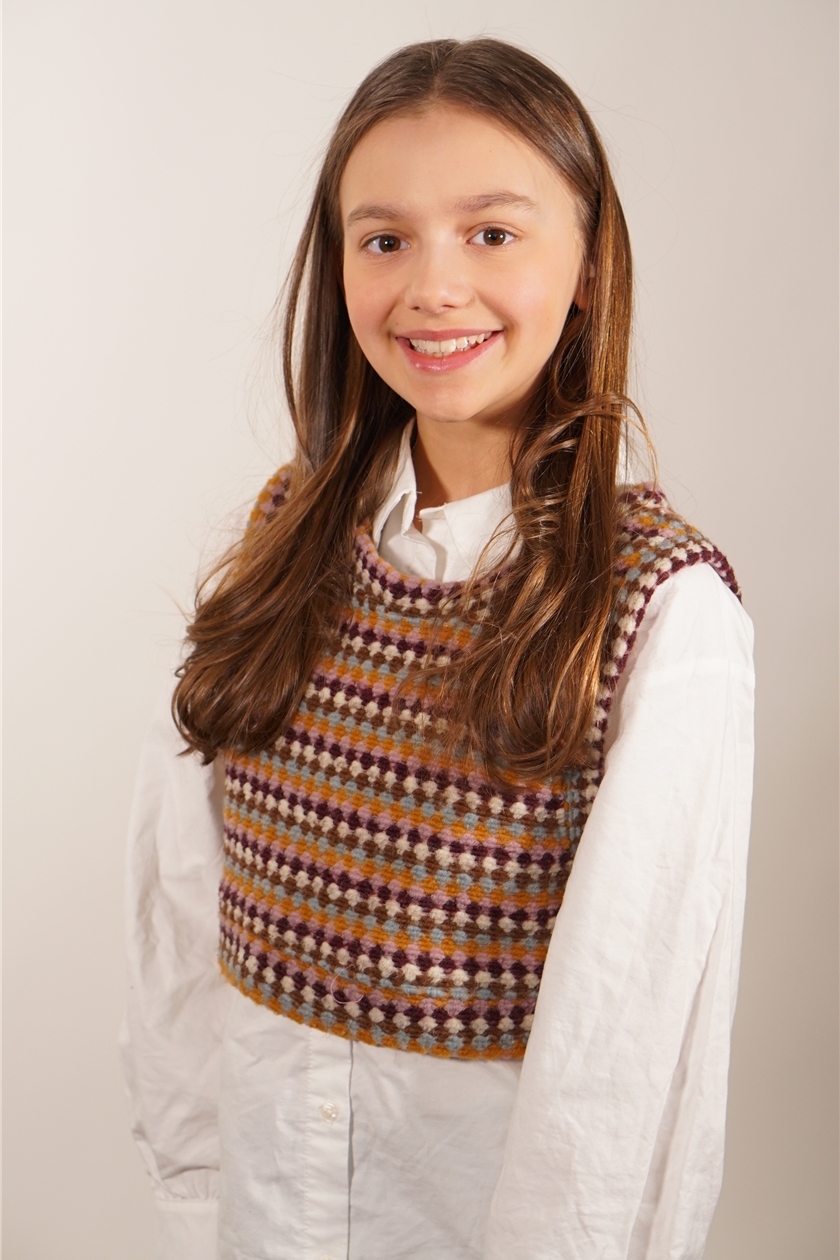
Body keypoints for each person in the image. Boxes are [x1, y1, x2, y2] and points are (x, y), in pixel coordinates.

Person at [120, 37, 755, 1260]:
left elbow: (625, 1059)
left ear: (587, 265)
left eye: (492, 233)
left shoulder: (661, 614)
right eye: (384, 239)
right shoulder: (283, 543)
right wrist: (197, 1206)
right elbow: (184, 916)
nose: (432, 288)